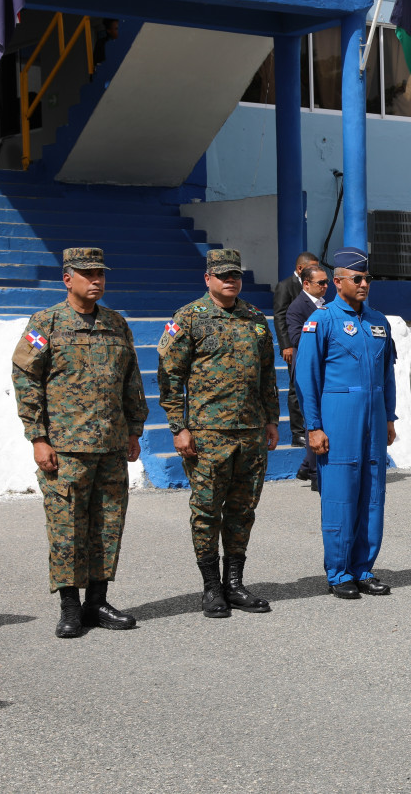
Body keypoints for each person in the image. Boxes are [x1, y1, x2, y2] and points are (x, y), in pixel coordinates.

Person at [11, 248, 148, 638]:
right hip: (65, 447)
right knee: (66, 527)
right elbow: (25, 379)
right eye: (88, 274)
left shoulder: (116, 323)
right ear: (67, 279)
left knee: (108, 525)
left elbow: (131, 380)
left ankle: (97, 602)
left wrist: (134, 429)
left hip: (111, 445)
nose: (97, 280)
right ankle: (70, 607)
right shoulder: (46, 323)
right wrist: (38, 437)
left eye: (100, 274)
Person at [158, 249, 280, 618]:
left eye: (236, 275)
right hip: (207, 433)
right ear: (208, 278)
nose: (231, 280)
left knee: (243, 510)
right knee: (207, 511)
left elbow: (267, 374)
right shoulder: (188, 318)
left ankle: (235, 584)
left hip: (250, 431)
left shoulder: (255, 318)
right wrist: (179, 427)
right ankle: (212, 588)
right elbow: (170, 375)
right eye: (223, 275)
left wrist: (272, 420)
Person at [295, 248, 397, 598]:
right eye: (357, 278)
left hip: (374, 421)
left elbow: (387, 375)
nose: (364, 284)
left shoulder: (379, 322)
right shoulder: (321, 321)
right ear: (338, 282)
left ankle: (363, 569)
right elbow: (306, 377)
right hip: (339, 421)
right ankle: (338, 573)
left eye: (367, 278)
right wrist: (313, 426)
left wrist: (390, 417)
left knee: (372, 497)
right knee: (340, 498)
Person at [285, 263, 331, 491]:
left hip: (325, 369)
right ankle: (314, 473)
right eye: (320, 283)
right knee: (313, 421)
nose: (325, 286)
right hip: (308, 368)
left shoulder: (324, 304)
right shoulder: (297, 307)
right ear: (306, 284)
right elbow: (295, 337)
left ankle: (306, 466)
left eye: (327, 282)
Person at [273, 251, 320, 448]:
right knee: (295, 388)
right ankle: (298, 433)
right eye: (312, 267)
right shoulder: (286, 286)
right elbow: (280, 316)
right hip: (294, 345)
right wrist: (286, 345)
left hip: (312, 346)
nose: (316, 270)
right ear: (300, 268)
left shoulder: (316, 284)